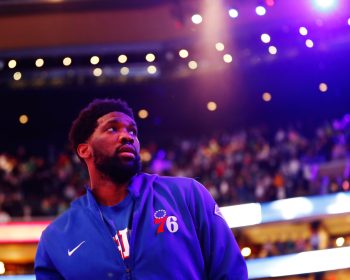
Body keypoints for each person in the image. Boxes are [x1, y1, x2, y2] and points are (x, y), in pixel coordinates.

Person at [34, 98, 248, 279]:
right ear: (84, 150)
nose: (127, 136)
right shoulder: (56, 239)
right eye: (112, 128)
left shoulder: (187, 195)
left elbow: (231, 272)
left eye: (132, 131)